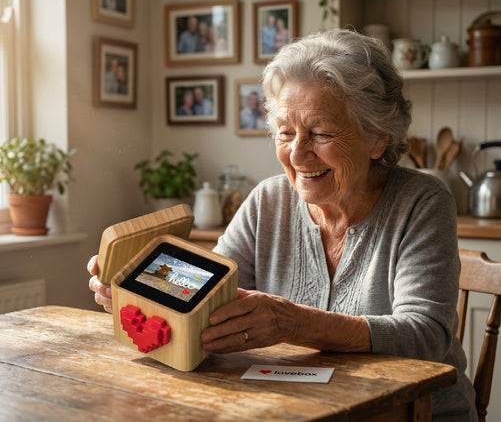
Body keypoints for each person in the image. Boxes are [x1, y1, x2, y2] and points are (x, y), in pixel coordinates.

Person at [88, 29, 477, 421]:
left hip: (412, 414)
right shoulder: (268, 200)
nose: (297, 153)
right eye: (286, 132)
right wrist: (137, 288)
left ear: (378, 138)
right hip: (295, 409)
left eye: (321, 133)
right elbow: (209, 294)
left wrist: (293, 323)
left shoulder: (422, 202)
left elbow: (426, 334)